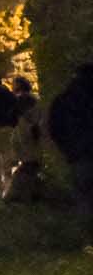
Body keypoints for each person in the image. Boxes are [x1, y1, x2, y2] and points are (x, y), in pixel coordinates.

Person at [49, 63, 93, 252]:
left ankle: (88, 239)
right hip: (83, 152)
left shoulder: (64, 99)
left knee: (84, 197)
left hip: (79, 156)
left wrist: (68, 150)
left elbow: (55, 128)